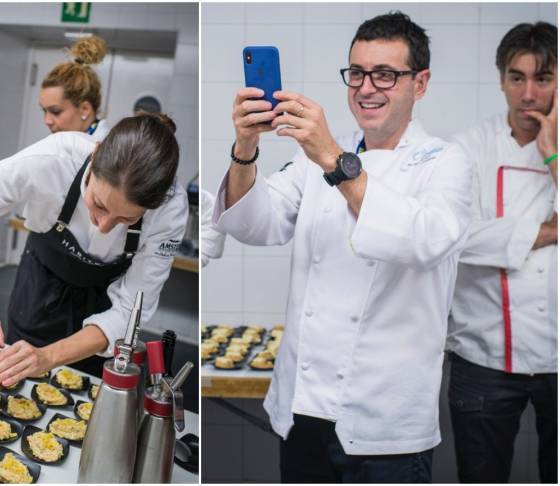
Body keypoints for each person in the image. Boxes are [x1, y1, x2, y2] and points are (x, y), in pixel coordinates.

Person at [212, 12, 473, 483]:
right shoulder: (312, 160)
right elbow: (256, 224)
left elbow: (422, 239)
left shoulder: (445, 162)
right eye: (357, 73)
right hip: (303, 409)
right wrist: (245, 146)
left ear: (421, 83)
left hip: (385, 426)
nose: (367, 87)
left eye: (386, 74)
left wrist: (332, 156)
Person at [0, 112, 187, 384]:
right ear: (95, 154)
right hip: (39, 290)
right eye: (98, 204)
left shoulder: (170, 210)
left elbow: (129, 312)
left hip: (101, 316)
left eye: (127, 219)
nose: (104, 226)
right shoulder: (54, 159)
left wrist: (48, 357)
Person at [446, 22, 557, 484]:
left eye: (544, 78)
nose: (528, 93)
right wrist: (549, 231)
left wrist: (553, 158)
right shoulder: (466, 149)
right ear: (501, 80)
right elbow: (458, 237)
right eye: (517, 78)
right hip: (483, 354)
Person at [39, 35, 110, 139]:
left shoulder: (107, 149)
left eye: (55, 111)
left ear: (85, 109)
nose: (47, 121)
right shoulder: (67, 141)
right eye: (44, 111)